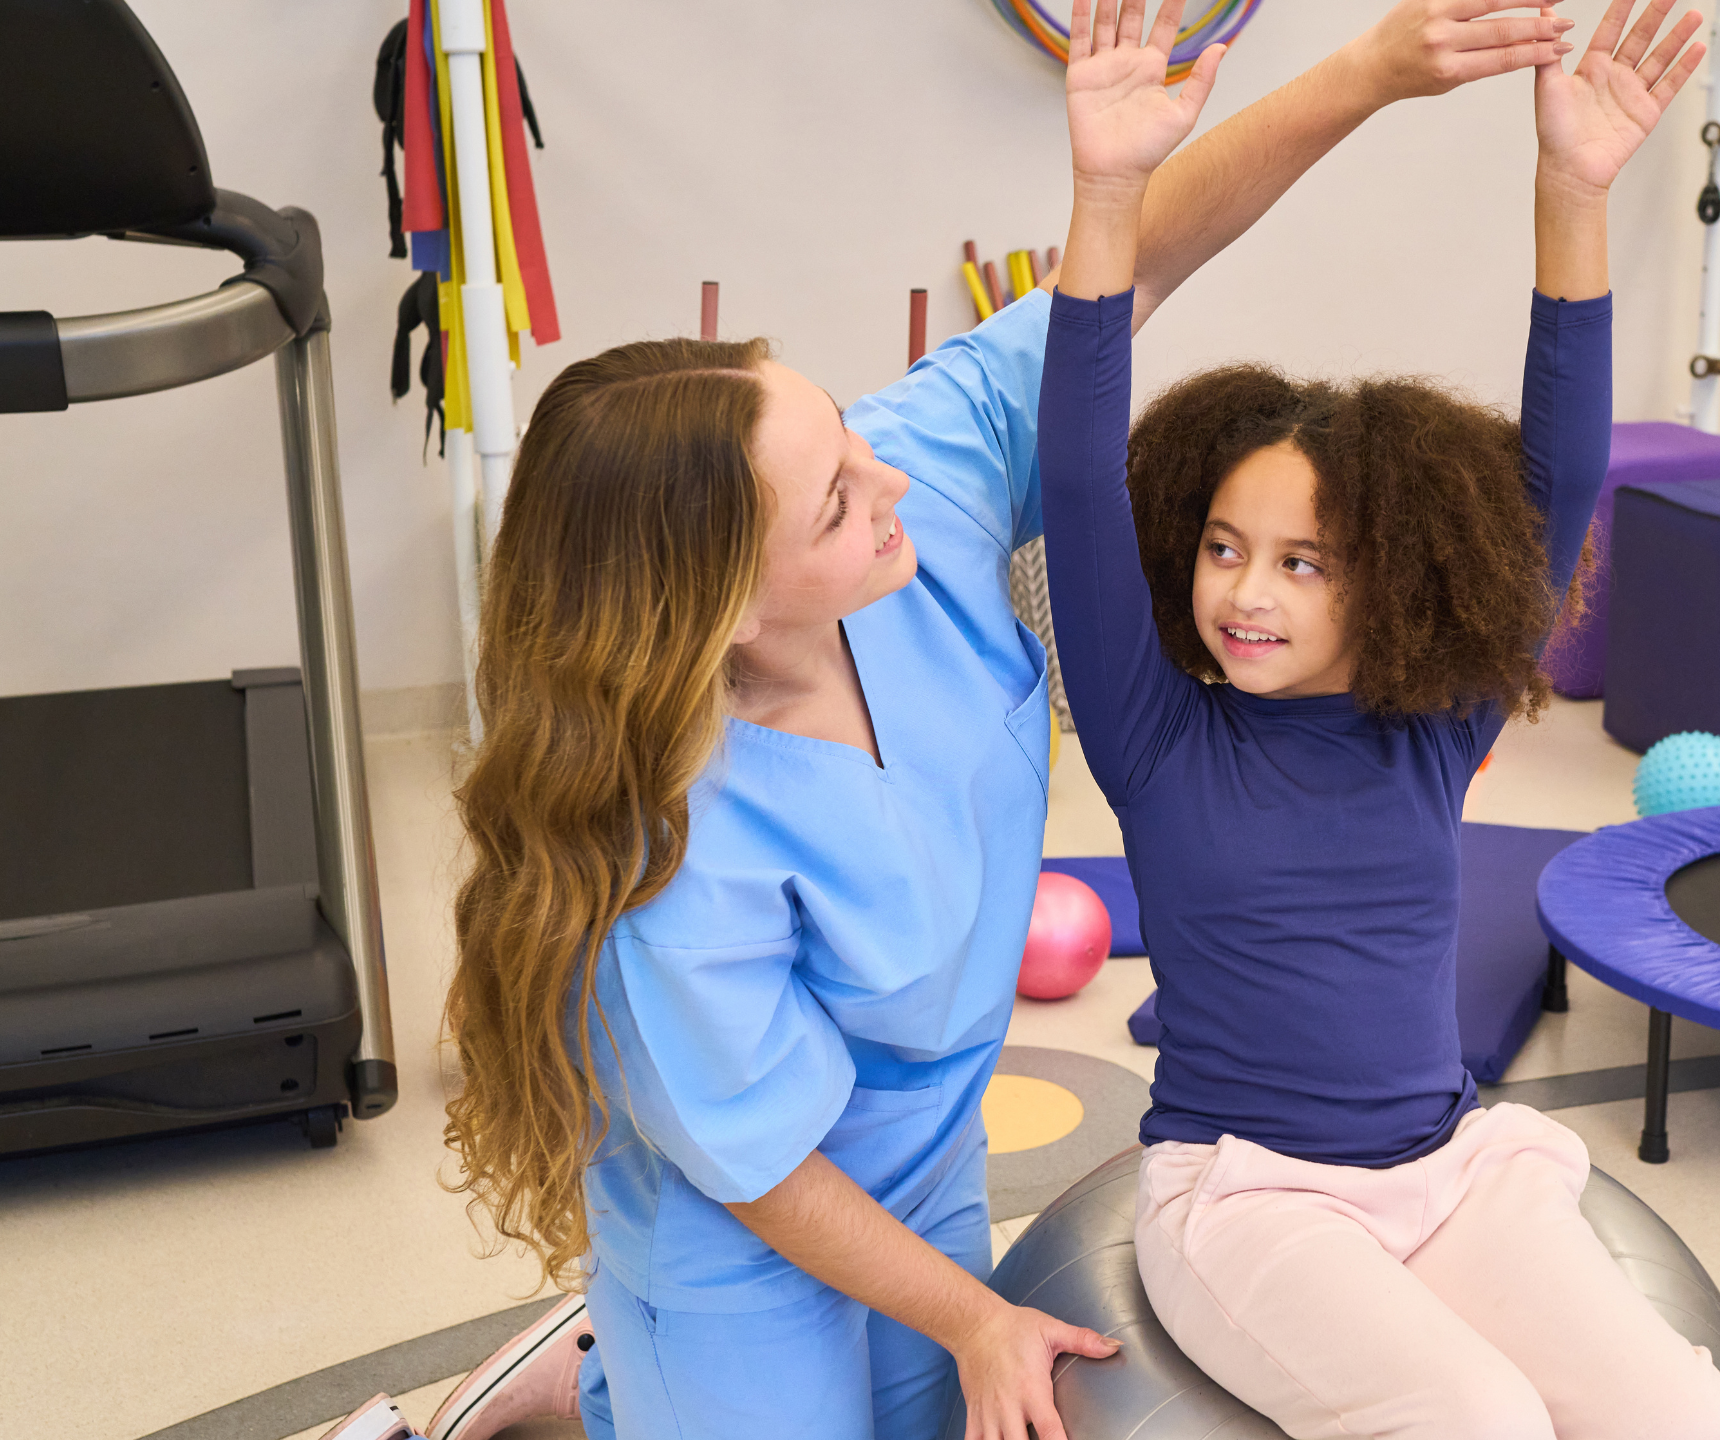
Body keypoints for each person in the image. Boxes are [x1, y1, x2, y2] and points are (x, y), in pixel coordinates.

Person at [315, 8, 1596, 1440]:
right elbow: (763, 1168)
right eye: (841, 499)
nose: (895, 484)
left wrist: (1364, 75)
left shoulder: (907, 472)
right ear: (723, 610)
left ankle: (598, 1361)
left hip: (930, 1158)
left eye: (855, 441)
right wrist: (973, 1316)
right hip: (743, 1214)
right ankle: (573, 1371)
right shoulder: (661, 841)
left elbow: (1134, 269)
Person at [1036, 1, 1720, 1436]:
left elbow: (1554, 486)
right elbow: (1075, 478)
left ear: (1394, 583)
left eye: (1304, 562)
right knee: (1474, 1420)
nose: (1248, 593)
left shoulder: (1426, 728)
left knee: (1691, 1422)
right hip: (1245, 1200)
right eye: (1225, 547)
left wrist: (1571, 192)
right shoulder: (1158, 731)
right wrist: (1108, 192)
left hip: (1446, 1176)